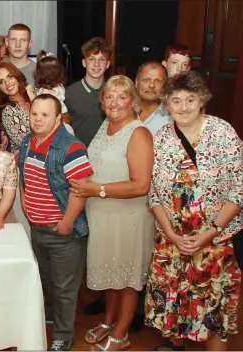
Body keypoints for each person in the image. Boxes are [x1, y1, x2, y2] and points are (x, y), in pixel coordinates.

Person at [145, 71, 243, 351]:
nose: (183, 107)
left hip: (213, 241)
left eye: (190, 99)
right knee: (175, 305)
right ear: (167, 103)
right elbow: (155, 194)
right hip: (171, 241)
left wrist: (209, 234)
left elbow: (238, 190)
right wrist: (172, 235)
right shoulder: (163, 137)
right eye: (176, 100)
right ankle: (177, 345)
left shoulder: (222, 133)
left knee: (212, 311)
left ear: (202, 100)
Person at [70, 75, 154, 351]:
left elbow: (141, 185)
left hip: (127, 216)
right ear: (101, 100)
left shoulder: (138, 133)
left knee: (127, 277)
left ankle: (121, 333)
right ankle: (108, 321)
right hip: (102, 213)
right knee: (111, 273)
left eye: (122, 96)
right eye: (109, 96)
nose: (114, 102)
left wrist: (97, 189)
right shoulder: (106, 124)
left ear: (133, 101)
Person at [17, 94, 93, 351]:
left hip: (63, 234)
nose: (37, 119)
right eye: (34, 114)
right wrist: (25, 199)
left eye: (45, 115)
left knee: (64, 289)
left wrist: (67, 222)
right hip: (38, 229)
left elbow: (80, 189)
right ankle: (52, 318)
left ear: (58, 118)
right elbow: (23, 173)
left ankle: (63, 335)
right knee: (46, 280)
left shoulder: (72, 148)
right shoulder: (27, 141)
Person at [64, 37, 112, 147]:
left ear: (108, 64)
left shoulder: (113, 92)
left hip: (106, 156)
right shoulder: (69, 94)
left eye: (102, 59)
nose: (96, 64)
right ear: (84, 62)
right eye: (91, 59)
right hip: (78, 156)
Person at [135, 61, 172, 136]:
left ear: (165, 86)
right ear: (136, 83)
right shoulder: (124, 110)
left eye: (158, 81)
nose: (151, 85)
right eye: (146, 80)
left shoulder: (172, 117)